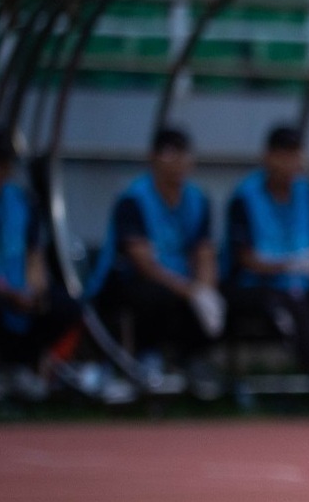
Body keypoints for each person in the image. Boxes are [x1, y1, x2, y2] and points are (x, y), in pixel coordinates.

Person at [226, 125, 309, 415]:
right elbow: (244, 257)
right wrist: (289, 264)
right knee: (296, 304)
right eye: (284, 155)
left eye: (296, 155)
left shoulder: (305, 191)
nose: (291, 163)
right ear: (269, 157)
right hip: (256, 286)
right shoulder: (245, 196)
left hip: (301, 284)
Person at [93, 126, 223, 397]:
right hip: (130, 280)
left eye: (182, 155)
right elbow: (143, 264)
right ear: (153, 158)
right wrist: (190, 291)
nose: (177, 163)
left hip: (180, 281)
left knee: (213, 299)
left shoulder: (198, 198)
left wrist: (205, 289)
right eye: (169, 155)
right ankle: (145, 357)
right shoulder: (134, 199)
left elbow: (204, 252)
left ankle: (193, 362)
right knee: (155, 295)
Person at [0, 135, 81, 401]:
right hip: (4, 295)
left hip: (16, 295)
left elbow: (35, 256)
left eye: (5, 164)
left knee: (63, 305)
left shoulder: (21, 202)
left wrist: (34, 289)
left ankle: (20, 367)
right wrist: (8, 292)